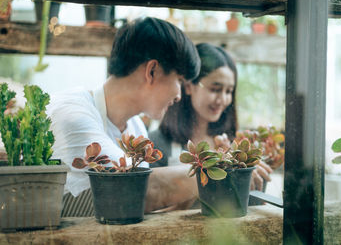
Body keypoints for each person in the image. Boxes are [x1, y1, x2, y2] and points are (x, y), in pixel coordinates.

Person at [48, 17, 201, 216]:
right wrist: (217, 173)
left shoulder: (136, 127)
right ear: (152, 71)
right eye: (179, 80)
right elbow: (133, 189)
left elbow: (135, 209)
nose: (179, 95)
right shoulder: (73, 114)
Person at [149, 43, 272, 191]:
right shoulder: (156, 145)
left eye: (228, 91)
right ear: (188, 86)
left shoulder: (235, 147)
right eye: (215, 89)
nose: (222, 100)